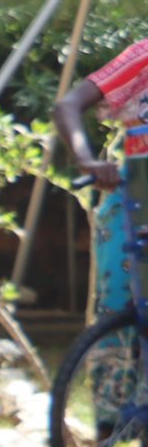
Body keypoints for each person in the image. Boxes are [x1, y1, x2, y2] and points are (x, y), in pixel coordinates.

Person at [52, 35, 148, 321]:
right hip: (138, 202)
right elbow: (67, 106)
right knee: (120, 304)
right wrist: (87, 161)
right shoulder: (143, 55)